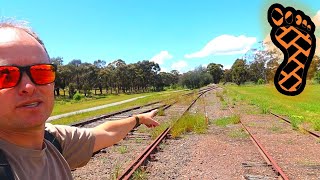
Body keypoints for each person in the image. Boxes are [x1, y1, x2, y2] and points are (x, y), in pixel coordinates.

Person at [0, 20, 160, 180]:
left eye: (41, 72)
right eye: (5, 75)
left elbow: (107, 132)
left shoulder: (54, 140)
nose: (28, 86)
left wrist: (139, 119)